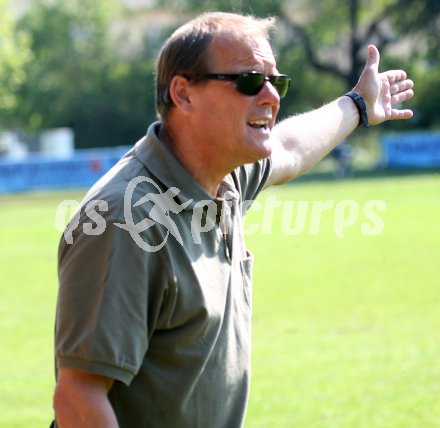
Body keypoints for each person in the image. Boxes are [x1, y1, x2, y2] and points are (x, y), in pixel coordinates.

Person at [52, 11, 414, 428]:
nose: (271, 97)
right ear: (183, 94)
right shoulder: (123, 221)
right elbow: (78, 400)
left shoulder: (222, 176)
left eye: (276, 82)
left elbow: (292, 148)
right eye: (248, 81)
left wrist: (357, 105)